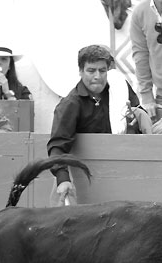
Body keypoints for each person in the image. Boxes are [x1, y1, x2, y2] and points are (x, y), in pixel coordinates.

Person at [47, 44, 152, 206]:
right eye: (91, 71)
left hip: (117, 174)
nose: (97, 76)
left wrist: (134, 123)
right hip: (82, 177)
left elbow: (140, 118)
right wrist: (63, 178)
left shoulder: (119, 89)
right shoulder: (71, 104)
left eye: (102, 71)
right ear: (81, 71)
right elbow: (57, 146)